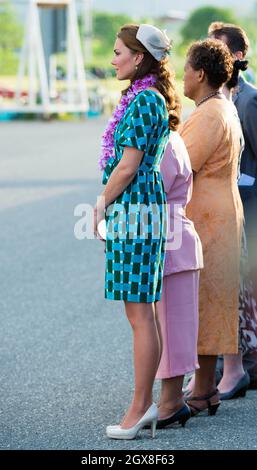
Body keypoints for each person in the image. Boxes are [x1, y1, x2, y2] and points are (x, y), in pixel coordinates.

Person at [94, 23, 180, 440]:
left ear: (139, 57)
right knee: (140, 310)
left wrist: (101, 203)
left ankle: (140, 407)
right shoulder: (144, 96)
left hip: (137, 208)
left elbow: (128, 164)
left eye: (117, 52)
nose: (112, 60)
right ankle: (144, 404)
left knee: (140, 311)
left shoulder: (146, 100)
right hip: (140, 207)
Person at [179, 39, 244, 415]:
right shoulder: (222, 106)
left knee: (204, 300)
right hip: (222, 209)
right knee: (213, 299)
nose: (181, 77)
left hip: (209, 215)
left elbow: (182, 165)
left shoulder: (208, 114)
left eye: (185, 69)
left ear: (200, 74)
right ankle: (206, 389)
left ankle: (202, 390)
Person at [209, 22, 257, 392]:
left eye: (220, 49)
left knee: (248, 286)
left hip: (249, 205)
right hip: (224, 209)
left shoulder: (249, 99)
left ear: (238, 56)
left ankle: (247, 364)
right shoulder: (216, 99)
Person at [152, 130, 203, 428]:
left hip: (171, 239)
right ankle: (170, 400)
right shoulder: (173, 139)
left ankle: (171, 402)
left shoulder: (166, 143)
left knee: (171, 328)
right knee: (174, 326)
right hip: (176, 236)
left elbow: (152, 189)